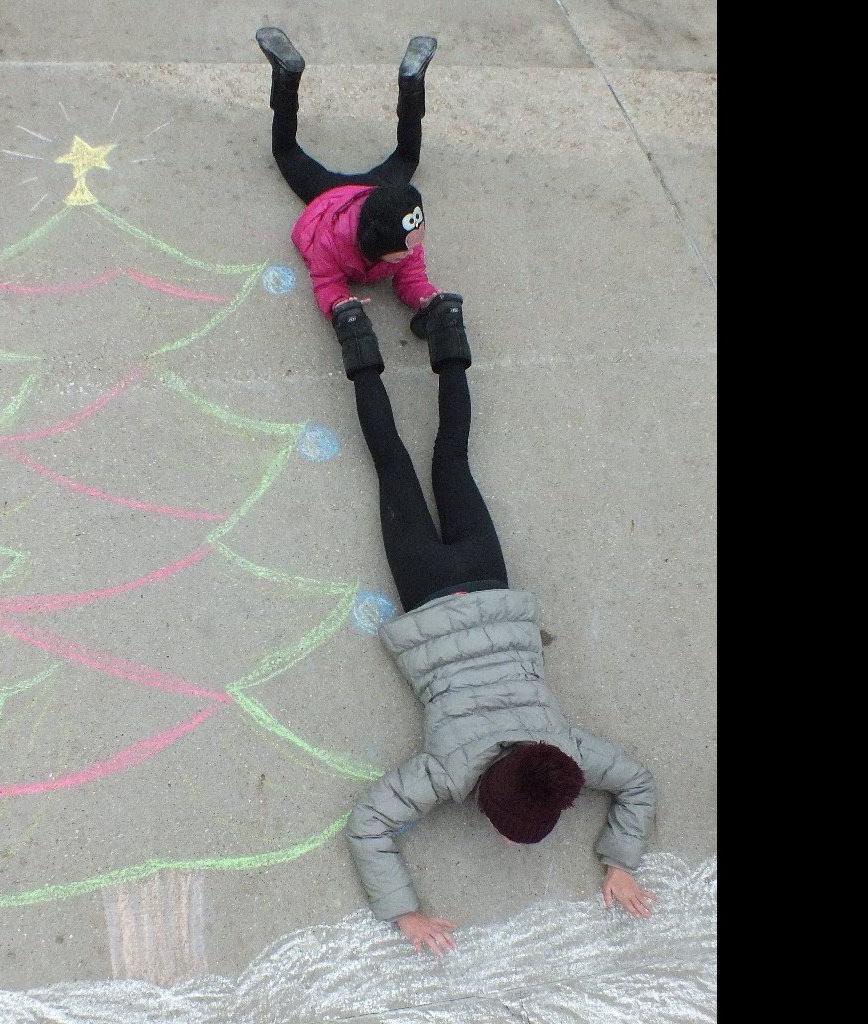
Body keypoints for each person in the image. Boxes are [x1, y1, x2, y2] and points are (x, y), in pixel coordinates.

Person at [302, 180, 660, 954]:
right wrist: (406, 913)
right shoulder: (446, 771)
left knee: (451, 459)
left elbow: (635, 781)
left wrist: (620, 856)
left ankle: (448, 333)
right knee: (393, 465)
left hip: (489, 582)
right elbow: (370, 825)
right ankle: (357, 339)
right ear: (484, 798)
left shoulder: (563, 746)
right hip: (430, 594)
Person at [255, 27, 461, 351]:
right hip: (331, 197)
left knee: (291, 150)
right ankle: (410, 84)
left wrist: (426, 296)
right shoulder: (334, 241)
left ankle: (287, 77)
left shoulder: (404, 233)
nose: (412, 252)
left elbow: (412, 275)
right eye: (404, 250)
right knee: (289, 152)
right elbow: (326, 281)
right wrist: (339, 303)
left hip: (372, 194)